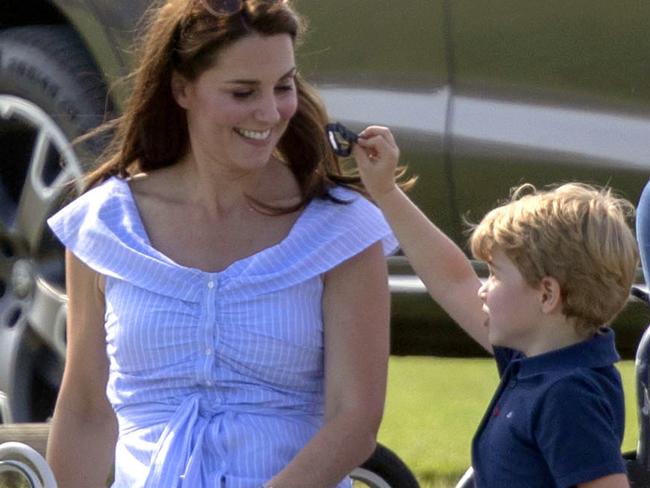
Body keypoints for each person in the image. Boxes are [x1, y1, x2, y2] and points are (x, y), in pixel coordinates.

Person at [44, 1, 401, 486]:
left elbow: (354, 422)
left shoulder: (341, 228)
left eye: (284, 86)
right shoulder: (104, 224)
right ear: (181, 89)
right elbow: (86, 409)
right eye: (242, 92)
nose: (271, 112)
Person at [352, 126, 636, 487]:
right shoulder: (539, 362)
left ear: (547, 295)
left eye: (495, 275)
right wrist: (385, 191)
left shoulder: (568, 396)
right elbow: (452, 281)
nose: (483, 290)